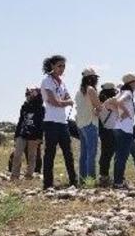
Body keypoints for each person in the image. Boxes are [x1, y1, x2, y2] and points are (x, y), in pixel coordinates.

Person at [40, 55, 78, 189]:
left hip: (63, 122)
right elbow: (53, 101)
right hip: (51, 122)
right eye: (59, 66)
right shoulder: (47, 81)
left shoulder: (61, 82)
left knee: (68, 153)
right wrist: (66, 102)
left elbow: (67, 97)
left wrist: (65, 101)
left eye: (63, 66)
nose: (62, 69)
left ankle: (74, 181)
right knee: (50, 153)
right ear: (52, 66)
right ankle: (47, 184)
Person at [111, 73, 135, 189]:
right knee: (122, 157)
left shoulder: (122, 92)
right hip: (125, 130)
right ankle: (118, 182)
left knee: (119, 156)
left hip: (118, 128)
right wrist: (126, 112)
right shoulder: (128, 93)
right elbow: (117, 102)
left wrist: (121, 112)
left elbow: (113, 103)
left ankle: (118, 180)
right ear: (131, 83)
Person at [75, 68, 102, 182]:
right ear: (92, 78)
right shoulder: (91, 89)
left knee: (84, 153)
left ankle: (82, 179)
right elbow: (98, 106)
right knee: (92, 153)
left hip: (81, 124)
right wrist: (98, 109)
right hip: (90, 123)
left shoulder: (79, 92)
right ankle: (91, 179)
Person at [12, 87, 45, 180]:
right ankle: (14, 175)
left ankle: (29, 175)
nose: (27, 95)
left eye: (30, 93)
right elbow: (20, 120)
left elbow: (41, 123)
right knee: (17, 154)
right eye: (27, 94)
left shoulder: (41, 108)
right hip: (22, 134)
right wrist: (16, 134)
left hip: (34, 136)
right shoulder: (24, 106)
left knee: (32, 156)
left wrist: (40, 137)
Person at [97, 82, 118, 186]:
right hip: (109, 131)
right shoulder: (110, 102)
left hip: (104, 130)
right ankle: (104, 176)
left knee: (105, 154)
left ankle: (103, 175)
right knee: (108, 154)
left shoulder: (101, 101)